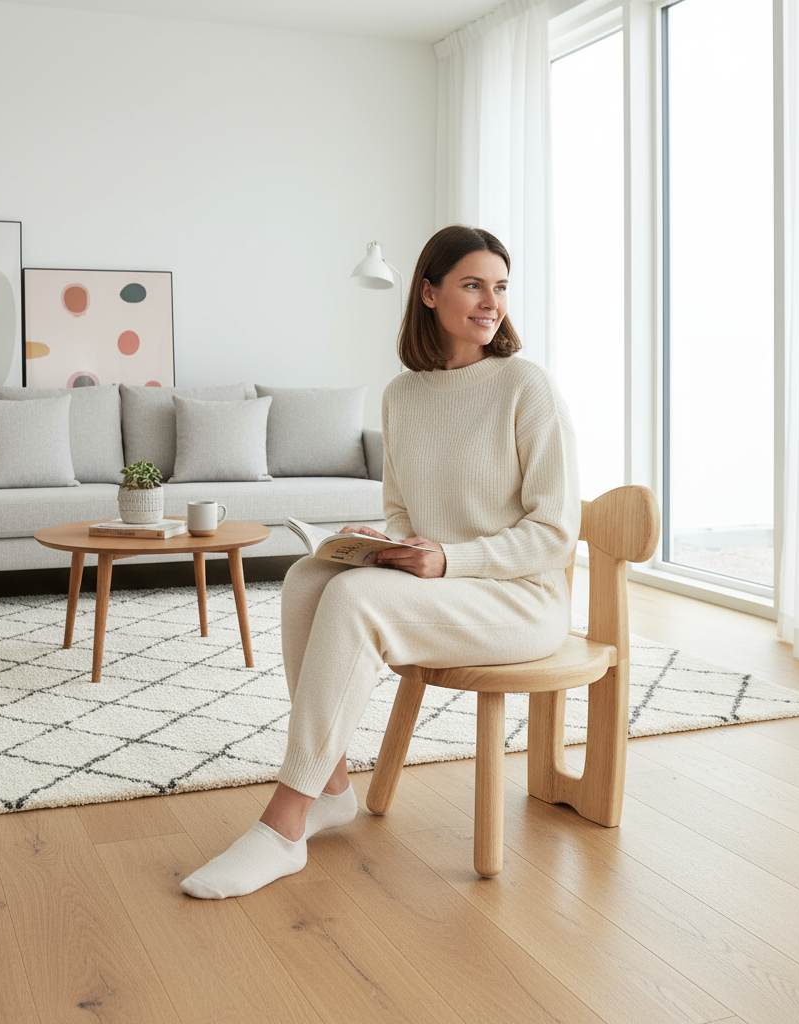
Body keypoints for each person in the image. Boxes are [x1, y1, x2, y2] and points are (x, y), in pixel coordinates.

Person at [180, 225, 580, 899]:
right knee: (311, 576)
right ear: (429, 292)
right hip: (442, 586)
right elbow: (403, 509)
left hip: (518, 599)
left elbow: (555, 536)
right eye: (473, 284)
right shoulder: (404, 396)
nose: (491, 302)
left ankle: (283, 826)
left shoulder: (525, 385)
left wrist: (449, 557)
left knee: (354, 600)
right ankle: (330, 783)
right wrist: (387, 541)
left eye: (501, 287)